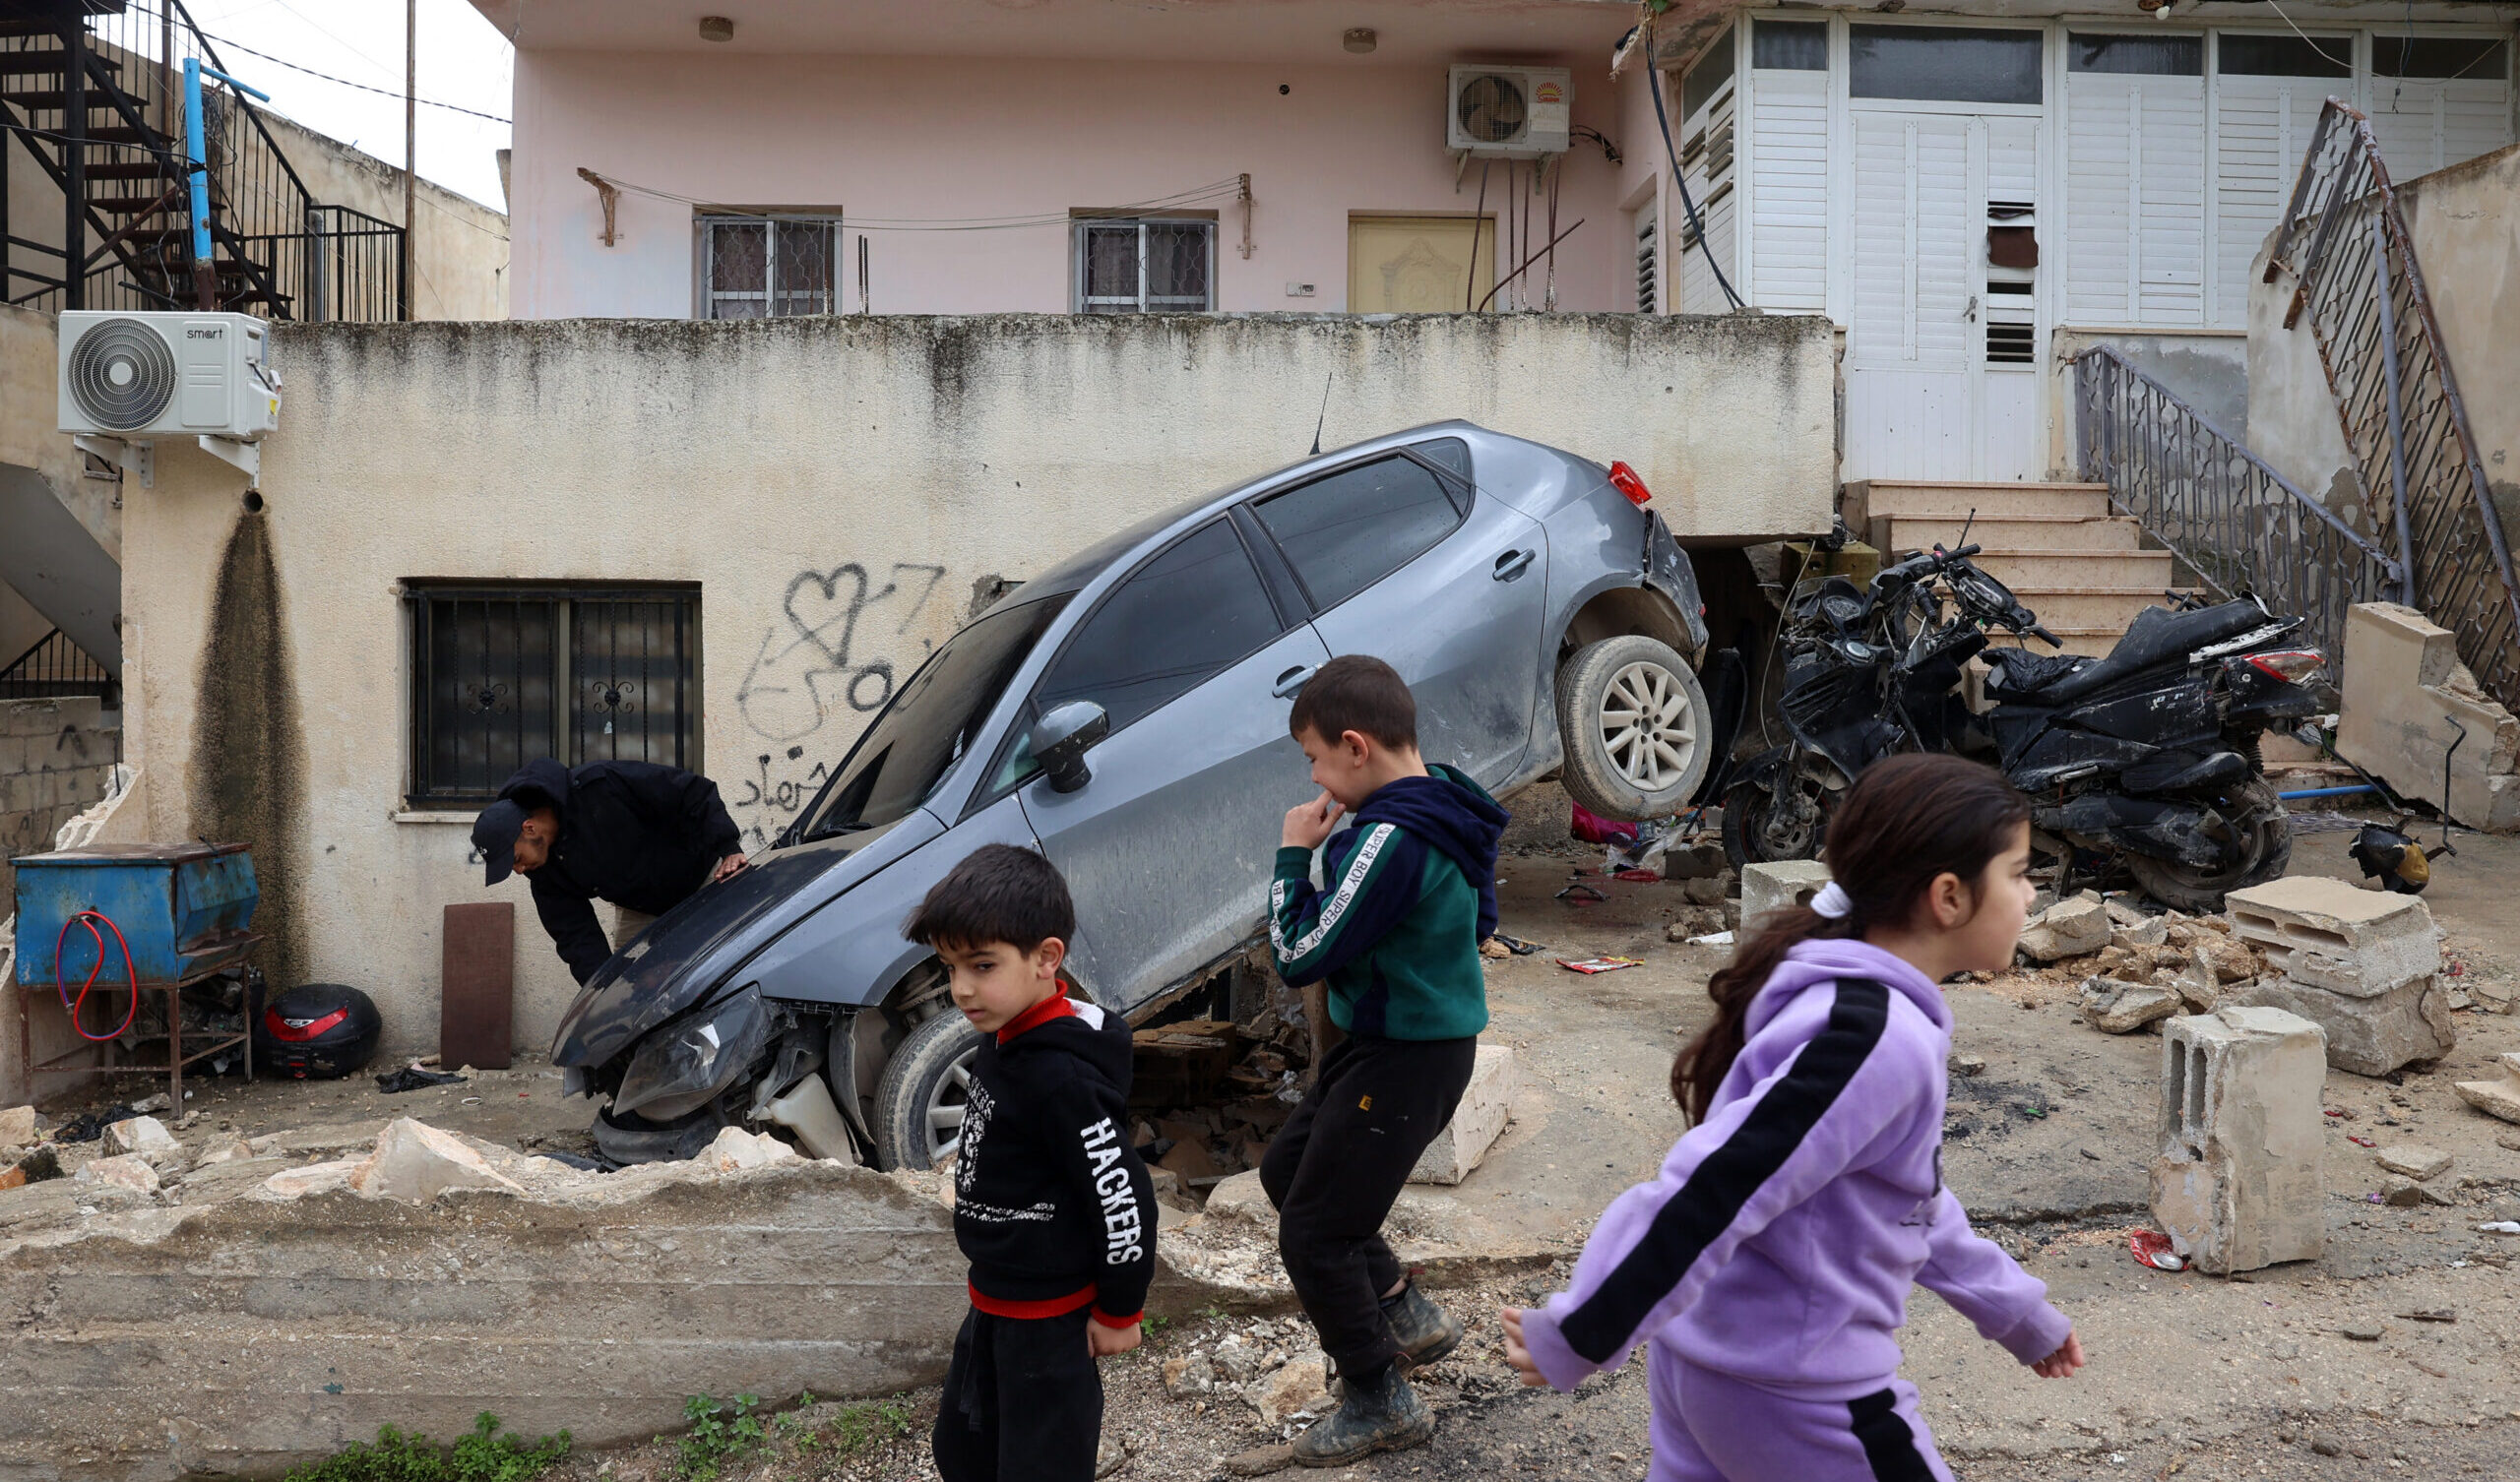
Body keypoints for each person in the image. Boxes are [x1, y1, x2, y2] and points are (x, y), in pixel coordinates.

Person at [1500, 753, 2085, 1482]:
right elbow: (1716, 1183)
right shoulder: (1874, 1038)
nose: (2031, 896)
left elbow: (1909, 1203)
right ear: (1948, 896)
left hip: (1719, 1367)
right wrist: (1585, 1328)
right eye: (2020, 873)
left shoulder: (1854, 1001)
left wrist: (2017, 1314)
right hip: (1793, 1394)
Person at [1263, 653, 1509, 1466]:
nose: (1314, 774)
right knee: (1286, 1171)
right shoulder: (1447, 796)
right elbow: (1483, 906)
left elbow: (1300, 954)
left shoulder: (1391, 838)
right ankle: (1403, 1310)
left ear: (1357, 747)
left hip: (1402, 1061)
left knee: (1312, 1235)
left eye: (1314, 757)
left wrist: (1295, 855)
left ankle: (1378, 1397)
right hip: (1396, 1045)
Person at [906, 843, 1154, 1482]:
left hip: (1050, 1326)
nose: (961, 988)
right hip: (992, 1303)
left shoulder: (1062, 1078)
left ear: (1047, 959)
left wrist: (1119, 1310)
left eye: (982, 965)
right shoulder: (1004, 1034)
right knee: (963, 1451)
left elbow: (1122, 1193)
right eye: (949, 966)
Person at [470, 757, 748, 985]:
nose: (519, 870)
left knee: (726, 974)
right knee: (632, 992)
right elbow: (576, 937)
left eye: (516, 859)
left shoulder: (602, 784)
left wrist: (729, 846)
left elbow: (692, 792)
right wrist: (602, 989)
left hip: (705, 877)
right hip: (642, 906)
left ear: (529, 828)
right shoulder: (542, 872)